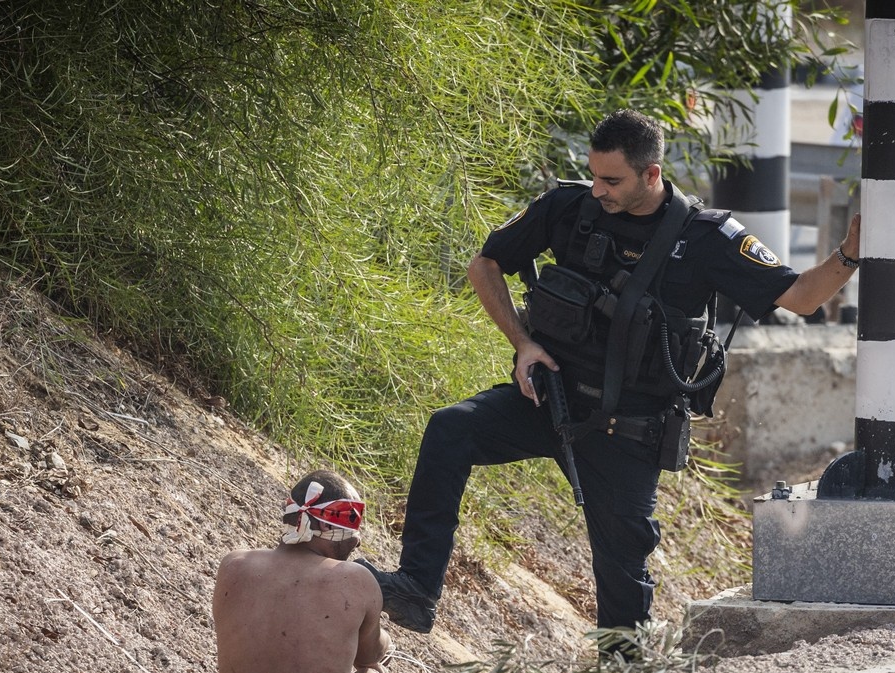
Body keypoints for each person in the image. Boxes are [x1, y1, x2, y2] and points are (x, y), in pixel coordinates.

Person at [369, 109, 861, 637]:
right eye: (594, 174)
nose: (598, 189)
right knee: (451, 429)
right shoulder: (568, 207)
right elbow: (484, 264)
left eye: (612, 180)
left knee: (623, 603)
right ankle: (418, 588)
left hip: (626, 434)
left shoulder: (708, 238)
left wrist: (851, 252)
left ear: (651, 174)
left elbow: (803, 298)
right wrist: (523, 343)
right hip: (549, 401)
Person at [213, 470, 393, 673]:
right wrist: (386, 641)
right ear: (328, 526)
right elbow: (369, 656)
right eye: (351, 520)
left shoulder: (233, 565)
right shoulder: (354, 579)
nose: (358, 538)